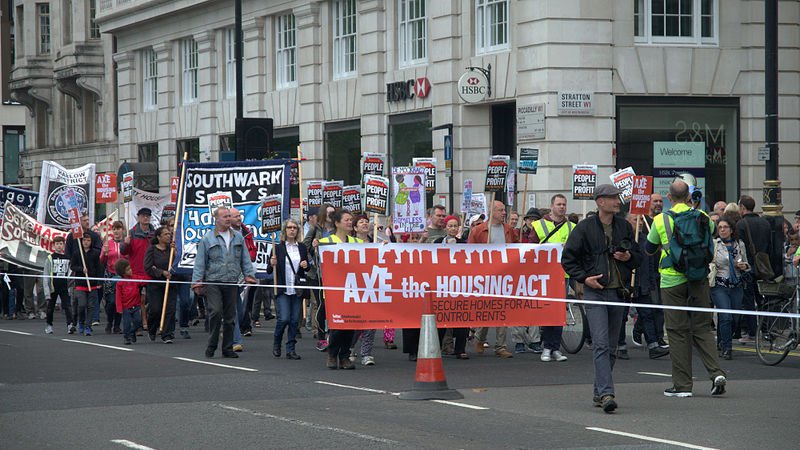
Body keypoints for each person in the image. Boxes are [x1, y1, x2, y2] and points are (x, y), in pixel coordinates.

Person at [562, 184, 642, 413]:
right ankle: (607, 394)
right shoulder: (584, 228)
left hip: (618, 293)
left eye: (618, 197)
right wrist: (584, 279)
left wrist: (628, 256)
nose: (618, 201)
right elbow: (567, 259)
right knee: (600, 343)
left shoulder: (624, 226)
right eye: (613, 198)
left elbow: (638, 257)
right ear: (600, 202)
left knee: (612, 347)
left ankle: (599, 392)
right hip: (595, 292)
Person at [646, 180, 727, 398]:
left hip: (672, 280)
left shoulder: (661, 219)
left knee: (677, 331)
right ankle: (716, 374)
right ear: (689, 197)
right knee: (702, 328)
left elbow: (649, 248)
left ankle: (682, 385)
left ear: (669, 198)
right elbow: (712, 233)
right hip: (698, 278)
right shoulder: (703, 216)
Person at [192, 207, 258, 358]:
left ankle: (228, 348)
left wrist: (249, 275)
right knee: (215, 312)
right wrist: (197, 282)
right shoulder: (207, 238)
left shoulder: (238, 237)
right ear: (216, 219)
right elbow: (200, 262)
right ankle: (212, 344)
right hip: (213, 281)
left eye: (229, 216)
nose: (228, 219)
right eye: (225, 216)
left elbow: (245, 258)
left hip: (231, 281)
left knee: (230, 316)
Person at [468, 200, 518, 358]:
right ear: (491, 212)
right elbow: (469, 253)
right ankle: (480, 338)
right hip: (485, 276)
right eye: (500, 210)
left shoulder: (509, 230)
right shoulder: (478, 231)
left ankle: (500, 346)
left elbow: (518, 248)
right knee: (487, 310)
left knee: (503, 311)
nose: (504, 213)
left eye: (504, 210)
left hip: (504, 275)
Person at [318, 209, 363, 369]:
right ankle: (332, 354)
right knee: (337, 326)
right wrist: (315, 248)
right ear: (337, 223)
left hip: (352, 290)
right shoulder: (326, 242)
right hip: (334, 291)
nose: (350, 222)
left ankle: (344, 356)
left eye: (351, 220)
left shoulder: (357, 243)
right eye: (347, 220)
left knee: (350, 325)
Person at [624, 213, 669, 359]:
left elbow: (650, 264)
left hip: (642, 283)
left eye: (641, 220)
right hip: (626, 283)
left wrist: (650, 284)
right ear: (627, 221)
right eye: (636, 220)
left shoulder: (645, 239)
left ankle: (653, 346)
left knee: (647, 314)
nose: (640, 223)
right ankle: (620, 346)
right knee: (621, 316)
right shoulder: (623, 239)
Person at [268, 219, 309, 361]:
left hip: (297, 288)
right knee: (284, 318)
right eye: (289, 227)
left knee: (294, 320)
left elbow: (307, 268)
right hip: (283, 288)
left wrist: (306, 265)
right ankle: (277, 342)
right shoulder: (278, 248)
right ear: (285, 230)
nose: (292, 230)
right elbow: (269, 270)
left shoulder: (302, 247)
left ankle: (291, 349)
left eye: (295, 228)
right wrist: (271, 263)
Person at [710, 218, 749, 360]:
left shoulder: (739, 244)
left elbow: (746, 263)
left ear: (731, 229)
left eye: (725, 227)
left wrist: (744, 266)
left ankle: (722, 339)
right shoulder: (715, 244)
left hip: (736, 285)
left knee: (734, 319)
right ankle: (727, 348)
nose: (722, 230)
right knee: (725, 317)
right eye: (720, 227)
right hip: (719, 285)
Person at [432, 215, 470, 359]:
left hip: (459, 284)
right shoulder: (438, 242)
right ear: (445, 228)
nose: (453, 228)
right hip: (443, 284)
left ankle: (460, 349)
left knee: (462, 318)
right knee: (441, 318)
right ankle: (436, 348)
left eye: (455, 226)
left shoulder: (463, 243)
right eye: (450, 226)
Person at [735, 195, 772, 343]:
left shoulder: (741, 224)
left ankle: (752, 332)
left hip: (748, 266)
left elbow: (739, 248)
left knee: (749, 301)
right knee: (762, 299)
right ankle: (766, 330)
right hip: (763, 266)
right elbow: (770, 245)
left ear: (742, 207)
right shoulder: (765, 223)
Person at [304, 203, 335, 352]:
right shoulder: (315, 229)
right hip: (317, 274)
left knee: (333, 305)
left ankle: (332, 335)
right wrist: (311, 260)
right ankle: (321, 336)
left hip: (333, 273)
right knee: (322, 305)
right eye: (329, 213)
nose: (331, 215)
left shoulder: (337, 230)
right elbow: (305, 247)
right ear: (323, 214)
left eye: (334, 213)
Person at [144, 226, 178, 344]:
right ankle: (152, 329)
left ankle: (167, 334)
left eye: (169, 234)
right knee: (156, 309)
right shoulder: (152, 250)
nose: (169, 236)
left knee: (170, 309)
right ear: (159, 237)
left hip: (170, 283)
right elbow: (148, 267)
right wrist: (161, 272)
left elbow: (178, 264)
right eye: (165, 234)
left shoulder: (171, 249)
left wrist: (175, 252)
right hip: (156, 284)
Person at [70, 234, 104, 336]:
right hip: (81, 283)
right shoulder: (77, 253)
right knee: (82, 305)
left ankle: (88, 326)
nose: (86, 242)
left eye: (88, 240)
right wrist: (81, 269)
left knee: (91, 306)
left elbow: (99, 268)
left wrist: (99, 281)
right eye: (84, 240)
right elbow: (72, 266)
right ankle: (81, 321)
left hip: (92, 283)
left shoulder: (95, 253)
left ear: (91, 242)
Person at [42, 236, 73, 334]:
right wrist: (47, 291)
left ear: (64, 245)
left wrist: (69, 285)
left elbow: (71, 272)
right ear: (53, 246)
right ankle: (49, 325)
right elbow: (46, 274)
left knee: (67, 306)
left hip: (64, 287)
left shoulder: (68, 258)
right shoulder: (50, 258)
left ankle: (70, 325)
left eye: (61, 244)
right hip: (53, 287)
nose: (59, 246)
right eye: (57, 244)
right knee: (50, 307)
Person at [100, 221, 125, 334]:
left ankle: (117, 325)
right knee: (111, 302)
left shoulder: (126, 243)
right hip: (110, 274)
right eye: (114, 229)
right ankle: (109, 321)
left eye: (118, 229)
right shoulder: (107, 244)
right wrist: (104, 253)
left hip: (123, 275)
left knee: (119, 301)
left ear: (123, 230)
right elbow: (101, 261)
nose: (116, 231)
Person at [115, 259, 145, 345]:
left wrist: (153, 277)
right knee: (127, 323)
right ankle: (127, 337)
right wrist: (119, 308)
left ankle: (132, 332)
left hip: (136, 306)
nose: (131, 270)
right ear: (123, 272)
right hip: (126, 307)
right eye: (128, 269)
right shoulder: (120, 283)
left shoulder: (135, 278)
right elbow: (118, 296)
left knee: (138, 322)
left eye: (130, 268)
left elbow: (144, 280)